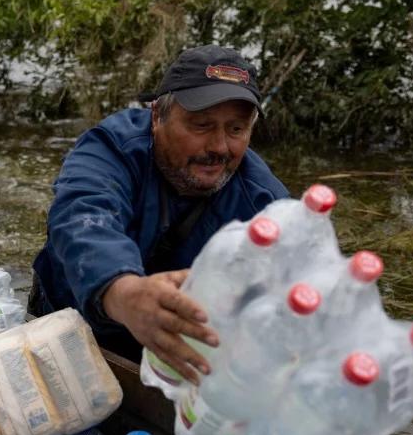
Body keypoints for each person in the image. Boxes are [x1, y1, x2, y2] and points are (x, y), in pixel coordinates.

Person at [30, 45, 290, 384]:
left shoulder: (264, 201)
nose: (220, 147)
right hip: (69, 321)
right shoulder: (113, 147)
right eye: (201, 125)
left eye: (236, 129)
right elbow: (82, 216)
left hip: (163, 352)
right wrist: (123, 292)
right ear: (157, 117)